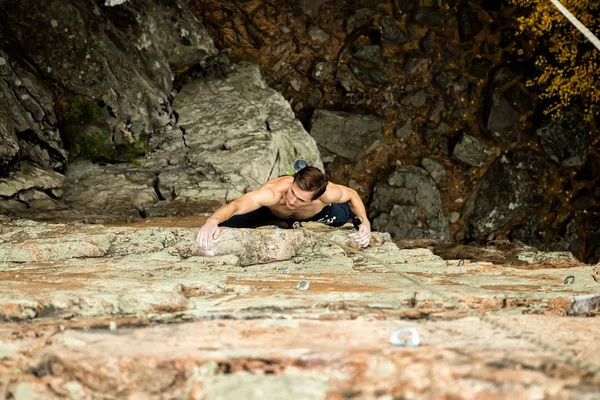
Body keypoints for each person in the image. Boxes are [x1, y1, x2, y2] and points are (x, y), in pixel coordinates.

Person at [196, 166, 371, 249]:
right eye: (292, 192)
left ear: (316, 197)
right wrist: (213, 220)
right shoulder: (273, 193)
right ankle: (279, 220)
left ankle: (289, 220)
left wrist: (364, 222)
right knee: (228, 225)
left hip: (316, 213)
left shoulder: (327, 194)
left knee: (341, 219)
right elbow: (236, 205)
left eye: (301, 199)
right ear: (292, 182)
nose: (293, 201)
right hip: (273, 210)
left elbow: (352, 195)